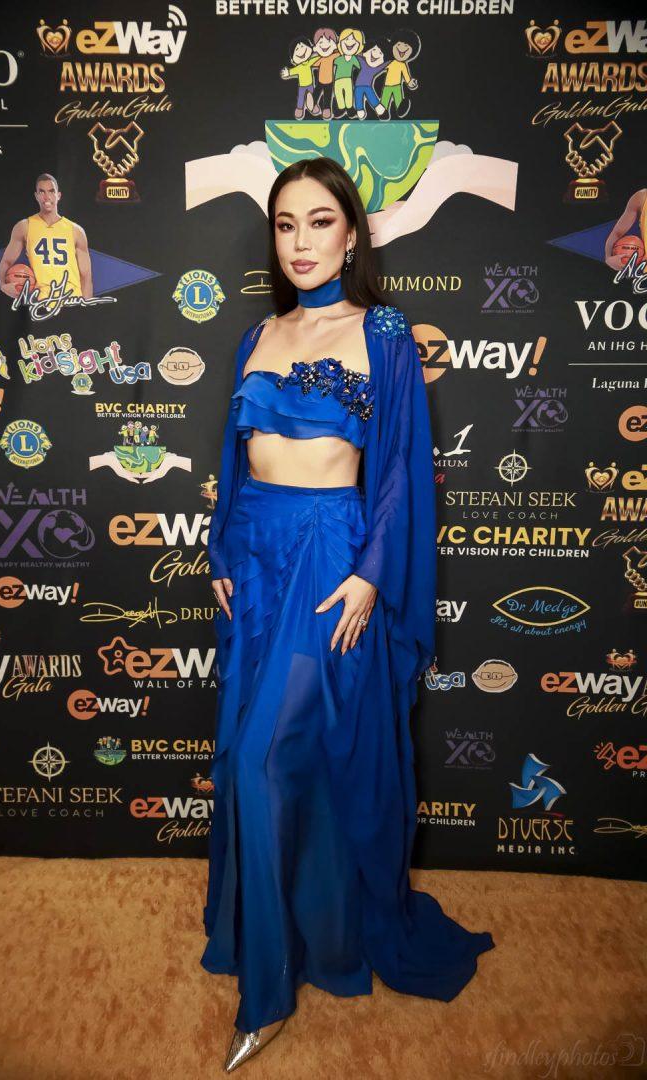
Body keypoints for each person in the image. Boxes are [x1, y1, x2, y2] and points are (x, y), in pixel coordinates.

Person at [203, 158, 495, 1073]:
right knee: (253, 758)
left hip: (330, 559)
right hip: (255, 555)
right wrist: (220, 547)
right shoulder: (258, 334)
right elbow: (235, 454)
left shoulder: (384, 331)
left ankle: (266, 992)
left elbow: (399, 464)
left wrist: (372, 573)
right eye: (285, 224)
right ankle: (297, 929)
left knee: (266, 760)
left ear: (352, 233)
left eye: (319, 222)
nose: (301, 242)